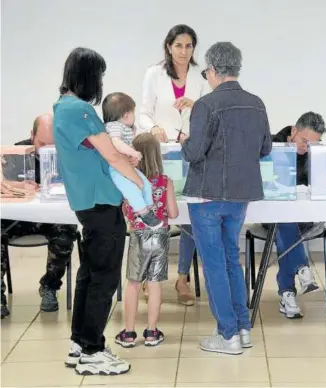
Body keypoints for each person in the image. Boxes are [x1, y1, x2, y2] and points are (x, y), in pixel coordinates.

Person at [181, 42, 272, 355]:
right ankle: (243, 328)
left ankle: (228, 335)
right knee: (232, 259)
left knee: (215, 264)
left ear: (213, 70)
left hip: (207, 195)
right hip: (241, 195)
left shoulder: (205, 105)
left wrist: (183, 140)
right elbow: (265, 149)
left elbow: (194, 152)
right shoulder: (256, 103)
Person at [53, 47, 137, 375]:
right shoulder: (81, 110)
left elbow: (101, 150)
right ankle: (92, 349)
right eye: (99, 75)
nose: (101, 82)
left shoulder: (62, 108)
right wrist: (139, 185)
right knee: (104, 277)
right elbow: (112, 155)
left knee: (89, 273)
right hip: (101, 202)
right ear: (88, 76)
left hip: (88, 203)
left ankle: (80, 342)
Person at [139, 24, 209, 306]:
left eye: (189, 46)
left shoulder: (200, 76)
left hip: (190, 154)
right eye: (178, 45)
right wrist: (153, 126)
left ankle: (183, 278)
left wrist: (197, 106)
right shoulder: (153, 74)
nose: (184, 51)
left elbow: (208, 114)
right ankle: (148, 275)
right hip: (160, 155)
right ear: (169, 46)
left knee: (189, 215)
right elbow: (143, 112)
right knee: (156, 215)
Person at [1, 114, 78, 318]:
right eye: (41, 143)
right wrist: (17, 188)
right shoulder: (16, 154)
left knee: (66, 232)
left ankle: (50, 286)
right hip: (19, 219)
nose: (46, 150)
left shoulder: (69, 154)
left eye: (52, 145)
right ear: (31, 135)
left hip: (51, 218)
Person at [115, 133, 178, 348]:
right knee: (154, 283)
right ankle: (152, 331)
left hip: (138, 234)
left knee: (133, 283)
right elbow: (174, 212)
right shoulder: (165, 181)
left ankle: (129, 332)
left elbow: (125, 208)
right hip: (161, 235)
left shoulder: (129, 179)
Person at [269, 112, 326, 318]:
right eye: (304, 141)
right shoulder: (270, 145)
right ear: (293, 131)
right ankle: (302, 269)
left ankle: (287, 294)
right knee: (284, 220)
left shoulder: (316, 153)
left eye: (313, 143)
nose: (307, 147)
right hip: (272, 214)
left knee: (286, 226)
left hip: (303, 215)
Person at [103, 92, 162, 229]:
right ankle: (143, 212)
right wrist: (133, 152)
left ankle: (148, 211)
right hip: (116, 169)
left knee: (146, 185)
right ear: (126, 115)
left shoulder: (125, 128)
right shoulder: (114, 127)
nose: (134, 117)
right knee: (131, 189)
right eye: (133, 113)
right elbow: (116, 143)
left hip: (126, 166)